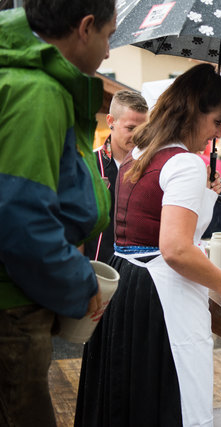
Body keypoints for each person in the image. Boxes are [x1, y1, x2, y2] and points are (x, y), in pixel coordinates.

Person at [75, 64, 221, 426]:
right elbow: (175, 248)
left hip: (127, 284)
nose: (218, 132)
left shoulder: (140, 153)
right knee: (171, 395)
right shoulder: (184, 163)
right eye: (217, 122)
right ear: (194, 112)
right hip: (162, 295)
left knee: (128, 394)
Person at [0, 1, 115, 425]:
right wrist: (79, 280)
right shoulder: (38, 92)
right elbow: (21, 220)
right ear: (85, 28)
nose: (107, 54)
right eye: (108, 37)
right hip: (11, 305)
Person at [84, 90, 149, 263]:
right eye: (131, 128)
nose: (137, 136)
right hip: (96, 271)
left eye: (143, 129)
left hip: (139, 272)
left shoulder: (153, 166)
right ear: (110, 121)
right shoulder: (88, 164)